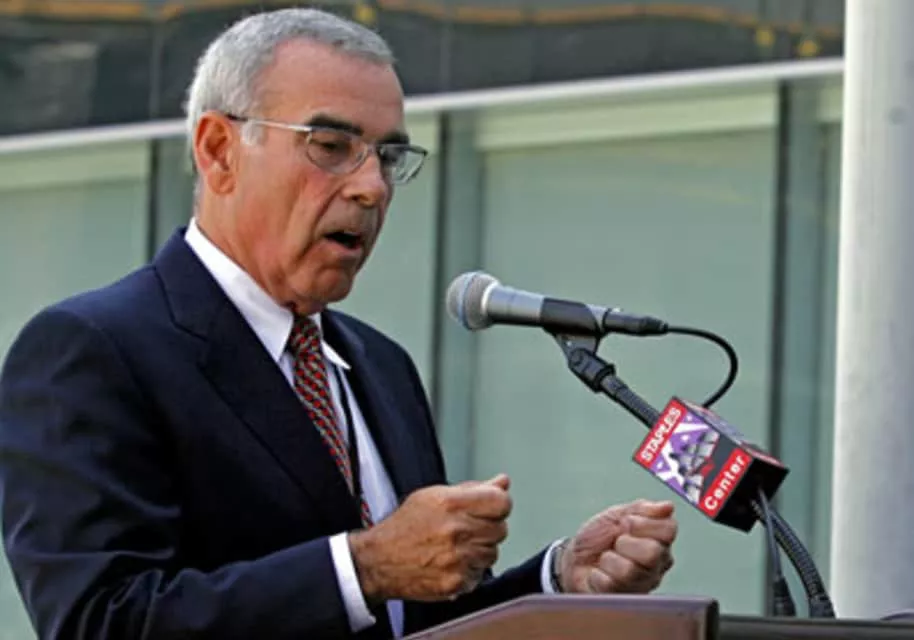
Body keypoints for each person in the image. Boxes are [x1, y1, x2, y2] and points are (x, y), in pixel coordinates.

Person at [0, 8, 677, 639]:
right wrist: (364, 567)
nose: (371, 187)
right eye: (330, 145)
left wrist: (556, 580)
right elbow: (100, 620)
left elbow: (413, 620)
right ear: (219, 149)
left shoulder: (381, 365)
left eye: (388, 157)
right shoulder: (92, 352)